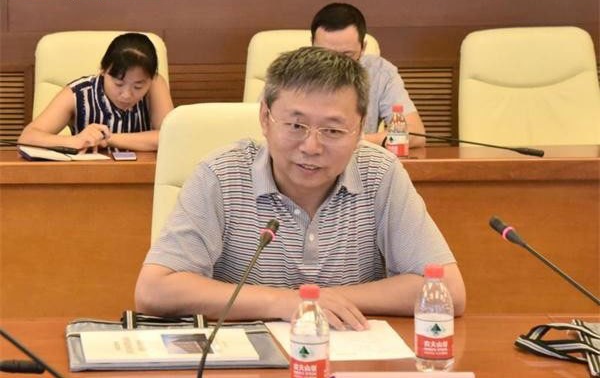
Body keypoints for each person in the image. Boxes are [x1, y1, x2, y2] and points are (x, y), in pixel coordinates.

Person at [135, 47, 465, 331]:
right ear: (265, 118)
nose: (311, 147)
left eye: (333, 130)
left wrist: (314, 301)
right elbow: (154, 290)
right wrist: (282, 302)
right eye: (295, 125)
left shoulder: (380, 173)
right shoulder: (221, 175)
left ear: (359, 128)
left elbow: (448, 290)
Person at [18, 32, 174, 152]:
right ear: (103, 70)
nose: (127, 94)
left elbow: (168, 137)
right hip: (88, 175)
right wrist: (76, 140)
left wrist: (107, 138)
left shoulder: (155, 84)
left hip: (143, 175)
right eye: (118, 84)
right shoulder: (78, 93)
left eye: (138, 87)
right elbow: (28, 137)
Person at [311, 2, 426, 148]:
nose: (336, 64)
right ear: (312, 46)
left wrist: (357, 141)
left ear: (363, 48)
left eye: (347, 55)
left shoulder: (380, 73)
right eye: (326, 55)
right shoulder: (290, 74)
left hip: (361, 158)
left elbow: (416, 133)